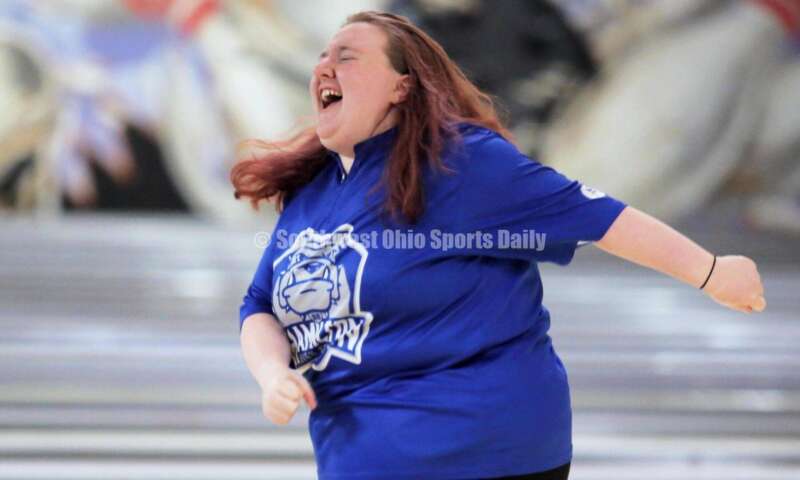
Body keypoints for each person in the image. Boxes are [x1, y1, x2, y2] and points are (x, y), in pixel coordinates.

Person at [230, 11, 766, 480]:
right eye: (322, 56)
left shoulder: (462, 164)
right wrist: (273, 374)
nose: (324, 66)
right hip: (359, 458)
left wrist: (712, 271)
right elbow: (259, 306)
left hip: (486, 453)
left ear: (401, 86)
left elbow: (600, 218)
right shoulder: (313, 193)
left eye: (347, 56)